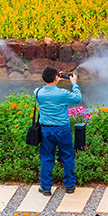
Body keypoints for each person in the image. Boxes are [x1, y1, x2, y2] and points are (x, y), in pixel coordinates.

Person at [34, 67, 82, 196]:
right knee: (67, 156)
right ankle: (70, 186)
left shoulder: (38, 92)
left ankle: (45, 187)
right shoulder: (62, 93)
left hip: (45, 130)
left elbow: (47, 88)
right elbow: (77, 98)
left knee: (46, 157)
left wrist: (54, 80)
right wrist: (74, 83)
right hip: (62, 130)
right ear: (56, 77)